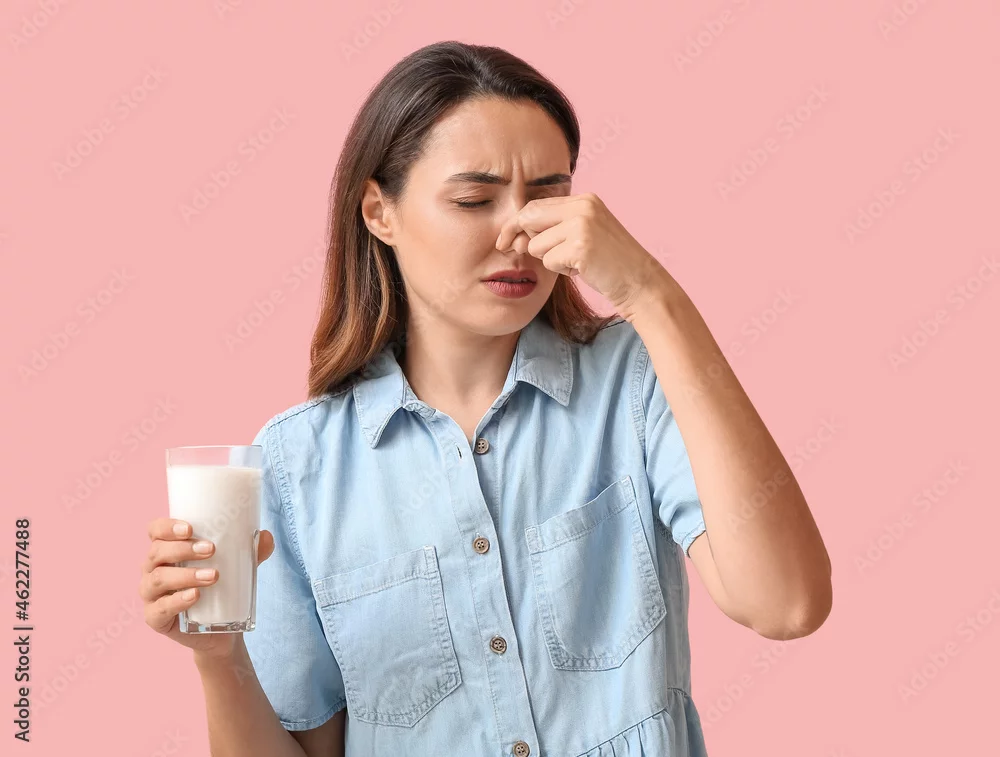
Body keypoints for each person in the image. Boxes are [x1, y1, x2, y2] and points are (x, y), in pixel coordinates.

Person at [139, 40, 832, 756]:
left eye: (548, 197)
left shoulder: (636, 379)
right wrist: (218, 657)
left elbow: (786, 602)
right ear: (379, 211)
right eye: (474, 200)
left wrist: (649, 292)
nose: (518, 235)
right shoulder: (297, 464)